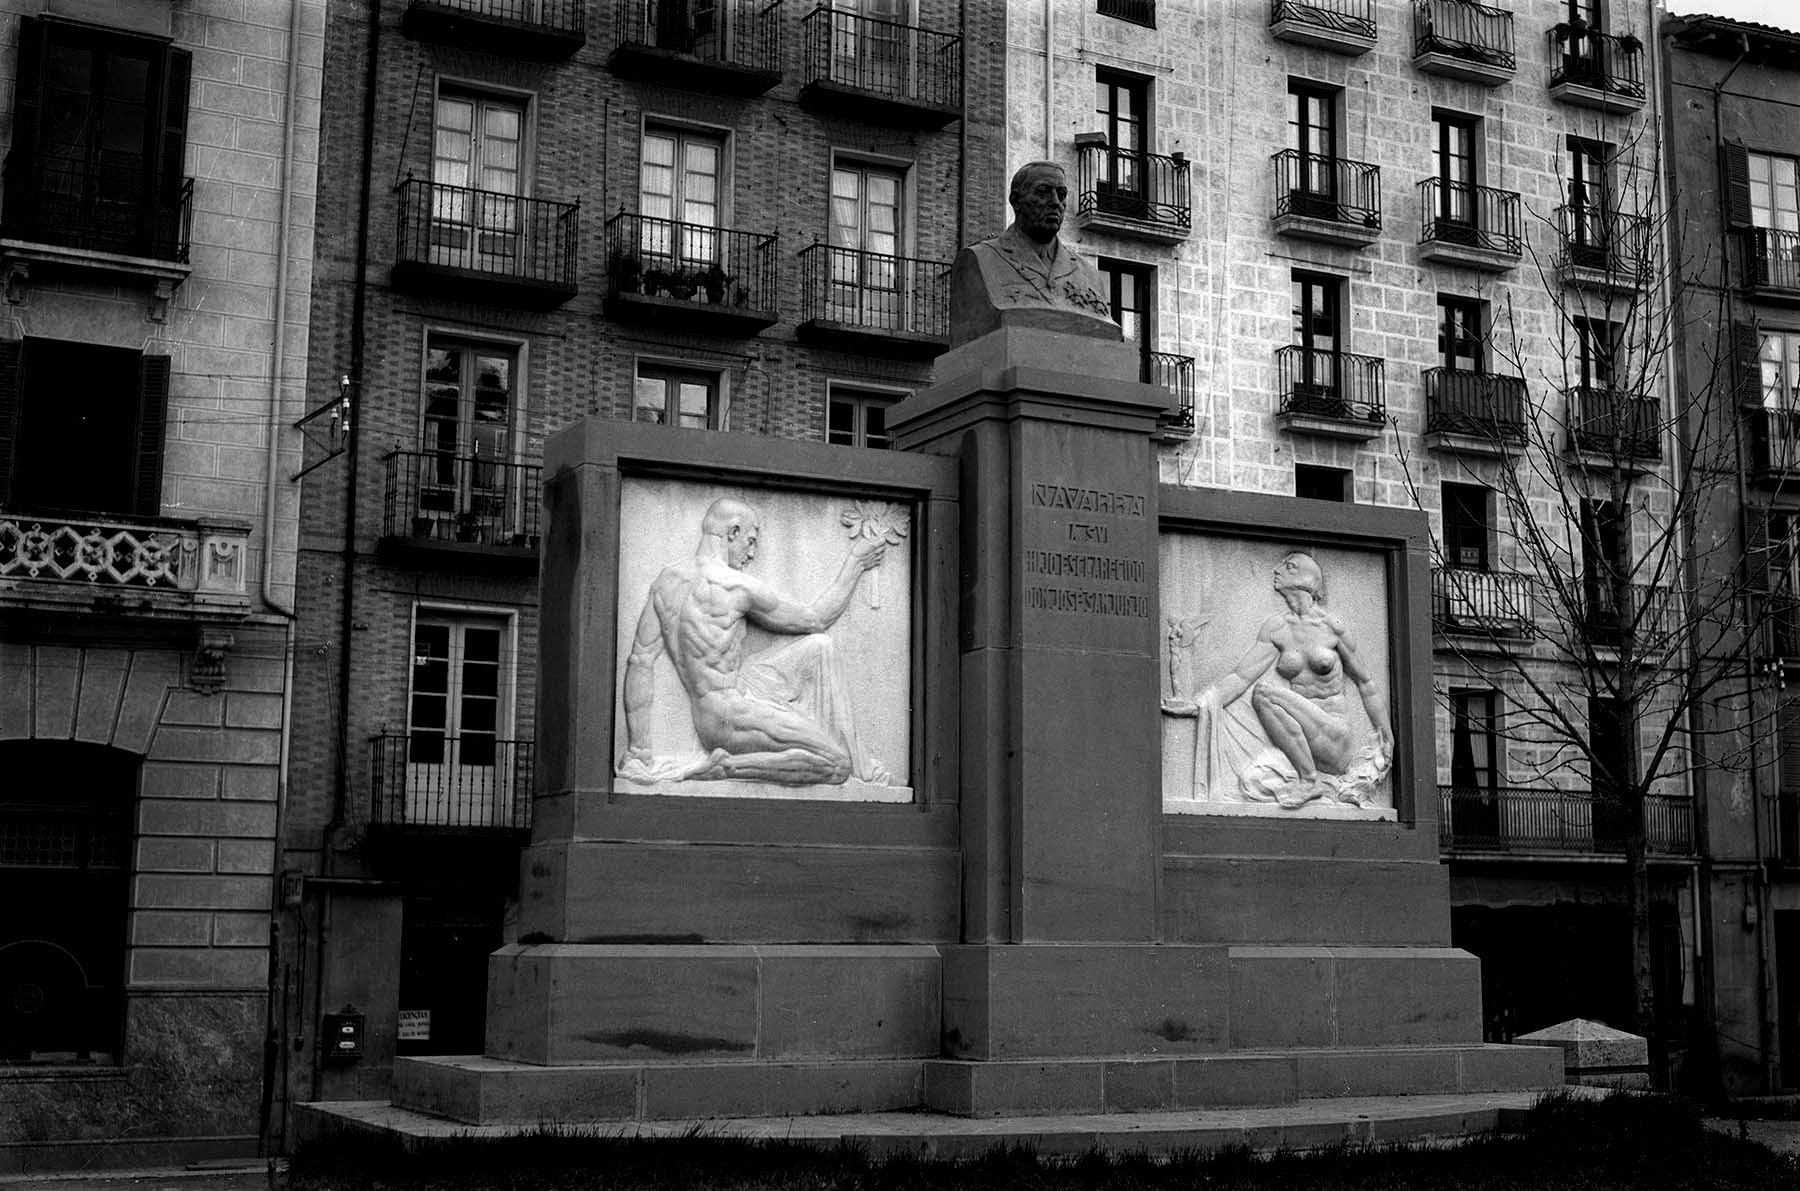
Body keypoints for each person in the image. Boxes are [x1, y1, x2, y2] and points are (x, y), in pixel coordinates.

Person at [618, 497, 888, 786]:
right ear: (733, 532)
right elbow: (815, 619)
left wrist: (639, 751)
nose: (752, 554)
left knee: (820, 646)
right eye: (750, 541)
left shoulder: (666, 582)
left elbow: (640, 662)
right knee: (836, 764)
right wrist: (855, 564)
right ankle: (726, 767)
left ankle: (859, 761)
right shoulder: (736, 586)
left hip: (715, 707)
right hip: (730, 718)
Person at [1170, 551, 1393, 807]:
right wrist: (1200, 704)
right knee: (1252, 780)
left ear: (1308, 580)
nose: (1277, 570)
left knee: (1264, 694)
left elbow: (1366, 683)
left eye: (1289, 567)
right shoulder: (1277, 627)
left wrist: (1386, 737)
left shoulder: (1332, 628)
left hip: (1334, 738)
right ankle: (1312, 778)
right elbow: (1241, 676)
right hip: (1302, 742)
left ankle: (1309, 781)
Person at [950, 161, 1118, 343]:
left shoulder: (1089, 275)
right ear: (1016, 201)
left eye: (1061, 195)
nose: (1055, 202)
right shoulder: (980, 258)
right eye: (1043, 192)